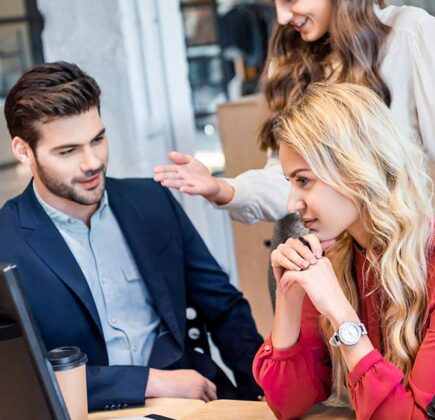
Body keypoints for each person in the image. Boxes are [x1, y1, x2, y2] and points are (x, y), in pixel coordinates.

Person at [153, 0, 435, 322]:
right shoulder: (293, 53)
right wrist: (223, 189)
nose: (281, 16)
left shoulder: (411, 34)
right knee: (320, 390)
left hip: (390, 261)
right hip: (308, 258)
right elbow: (287, 180)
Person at [252, 82, 435, 419]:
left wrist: (341, 315)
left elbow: (415, 417)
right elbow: (288, 404)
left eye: (304, 181)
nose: (292, 203)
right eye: (290, 183)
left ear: (355, 171)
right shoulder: (332, 255)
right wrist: (288, 296)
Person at [0, 62, 263, 411]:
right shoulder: (6, 240)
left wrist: (263, 397)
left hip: (191, 399)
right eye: (68, 151)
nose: (92, 162)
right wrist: (148, 381)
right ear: (23, 151)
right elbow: (17, 375)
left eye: (98, 140)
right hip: (91, 411)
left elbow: (224, 308)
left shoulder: (151, 201)